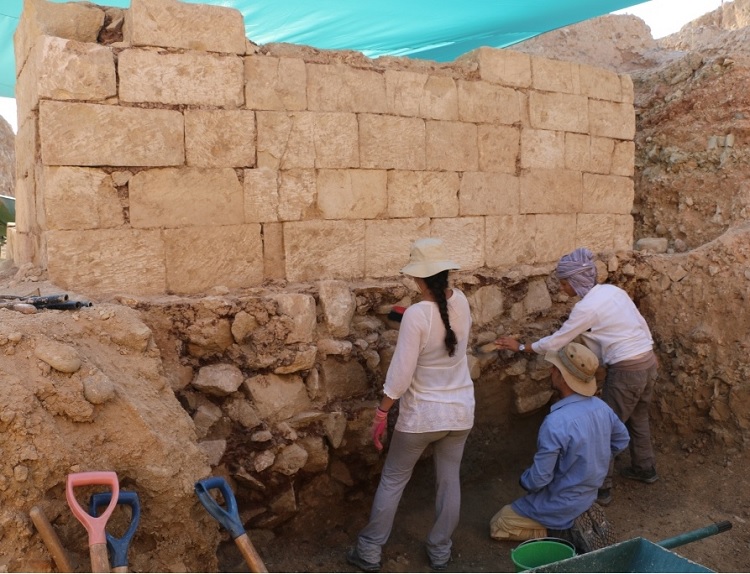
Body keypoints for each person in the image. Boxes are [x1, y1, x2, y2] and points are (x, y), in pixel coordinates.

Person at [346, 237, 475, 573]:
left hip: (422, 417)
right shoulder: (461, 301)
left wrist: (382, 411)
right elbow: (442, 328)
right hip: (460, 413)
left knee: (393, 480)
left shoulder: (418, 315)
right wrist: (401, 317)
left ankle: (370, 549)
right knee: (449, 480)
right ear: (445, 273)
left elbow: (401, 374)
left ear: (418, 279)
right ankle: (440, 550)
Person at [495, 247, 658, 506]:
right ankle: (645, 467)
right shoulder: (612, 291)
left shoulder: (586, 308)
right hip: (648, 362)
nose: (561, 288)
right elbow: (637, 323)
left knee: (606, 428)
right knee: (638, 416)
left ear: (574, 281)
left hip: (627, 369)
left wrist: (523, 347)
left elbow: (558, 341)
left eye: (563, 282)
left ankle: (602, 488)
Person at [490, 342, 629, 548]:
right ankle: (580, 517)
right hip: (588, 494)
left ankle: (561, 531)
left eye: (555, 368)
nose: (551, 371)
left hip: (558, 504)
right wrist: (596, 458)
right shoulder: (601, 407)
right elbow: (622, 439)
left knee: (499, 523)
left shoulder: (556, 422)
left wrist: (525, 480)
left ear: (562, 376)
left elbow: (539, 479)